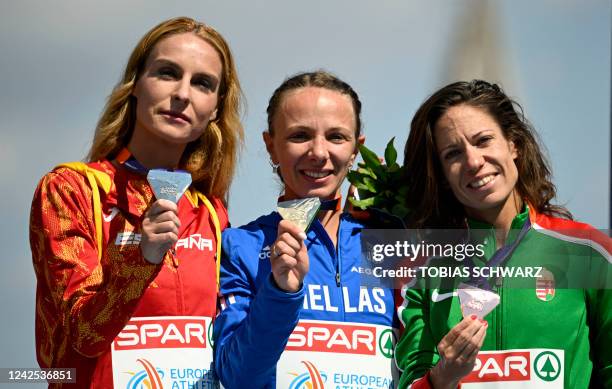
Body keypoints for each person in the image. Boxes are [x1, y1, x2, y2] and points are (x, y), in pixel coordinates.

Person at [29, 17, 243, 388]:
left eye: (202, 83)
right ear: (135, 86)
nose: (183, 93)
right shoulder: (70, 190)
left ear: (215, 108)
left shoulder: (210, 210)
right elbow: (84, 335)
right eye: (167, 73)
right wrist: (141, 258)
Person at [395, 80, 611, 388]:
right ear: (440, 175)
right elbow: (409, 379)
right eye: (453, 154)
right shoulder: (421, 269)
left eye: (483, 141)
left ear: (514, 144)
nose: (473, 162)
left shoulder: (588, 252)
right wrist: (442, 376)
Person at [214, 71, 399, 388]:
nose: (319, 152)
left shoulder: (390, 241)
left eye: (337, 137)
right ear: (271, 146)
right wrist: (280, 292)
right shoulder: (240, 246)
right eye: (299, 136)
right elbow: (236, 378)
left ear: (357, 149)